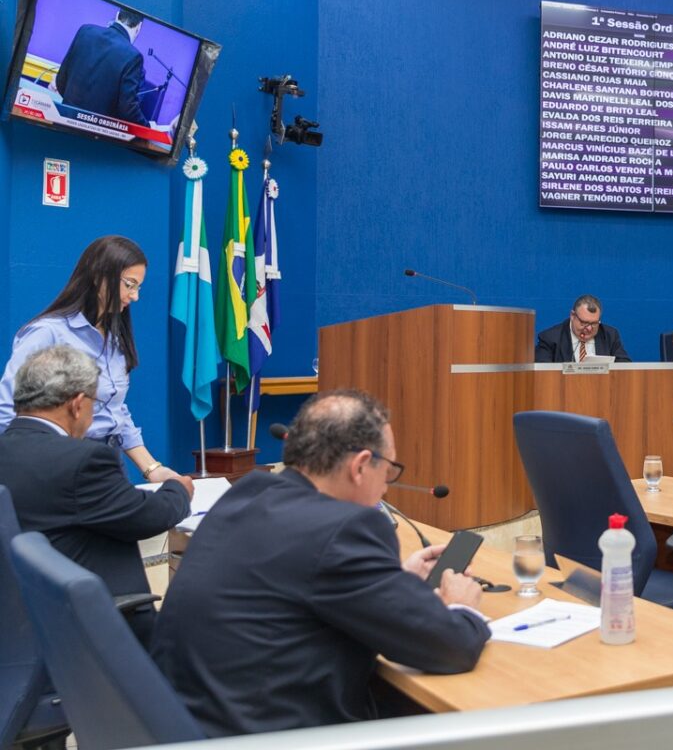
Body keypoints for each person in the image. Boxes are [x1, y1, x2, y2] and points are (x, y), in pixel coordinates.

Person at [151, 390, 490, 736]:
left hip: (191, 729)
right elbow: (450, 646)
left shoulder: (248, 493)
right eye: (388, 471)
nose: (386, 489)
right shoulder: (347, 528)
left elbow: (299, 582)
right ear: (360, 466)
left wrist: (394, 580)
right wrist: (462, 607)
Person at [0, 345, 193, 645]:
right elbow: (146, 517)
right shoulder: (84, 460)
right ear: (77, 405)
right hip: (93, 636)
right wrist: (178, 489)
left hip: (20, 632)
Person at [0, 236, 190, 487]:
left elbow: (115, 410)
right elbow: (7, 408)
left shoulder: (113, 336)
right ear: (99, 276)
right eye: (129, 285)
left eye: (138, 287)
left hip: (107, 466)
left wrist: (152, 468)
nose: (135, 296)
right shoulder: (47, 333)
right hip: (60, 468)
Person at [55, 8, 152, 126]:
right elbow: (127, 110)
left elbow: (60, 81)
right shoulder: (133, 56)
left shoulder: (85, 31)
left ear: (117, 16)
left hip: (62, 122)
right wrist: (148, 128)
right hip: (95, 136)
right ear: (139, 27)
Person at [535, 294, 631, 362]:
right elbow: (543, 373)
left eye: (594, 323)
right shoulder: (550, 338)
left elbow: (624, 367)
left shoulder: (610, 335)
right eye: (584, 323)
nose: (589, 328)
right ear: (572, 316)